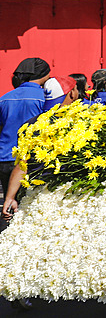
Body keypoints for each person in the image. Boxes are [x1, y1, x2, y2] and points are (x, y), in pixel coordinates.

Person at [0, 58, 49, 230]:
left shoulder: (5, 98)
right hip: (28, 160)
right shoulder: (44, 98)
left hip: (5, 157)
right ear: (44, 75)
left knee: (8, 201)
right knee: (27, 205)